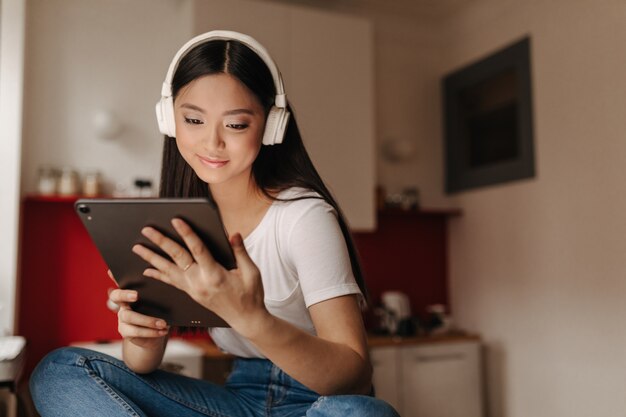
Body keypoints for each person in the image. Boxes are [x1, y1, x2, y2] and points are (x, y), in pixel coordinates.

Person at [29, 30, 400, 417]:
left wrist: (251, 318)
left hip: (317, 404)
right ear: (170, 121)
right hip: (237, 400)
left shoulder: (303, 216)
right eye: (193, 120)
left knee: (361, 413)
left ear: (271, 126)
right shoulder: (180, 225)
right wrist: (143, 335)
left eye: (236, 125)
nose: (212, 143)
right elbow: (142, 366)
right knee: (58, 371)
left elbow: (354, 378)